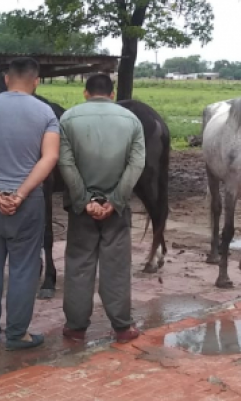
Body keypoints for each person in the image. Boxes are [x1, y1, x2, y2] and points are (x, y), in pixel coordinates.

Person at [0, 57, 60, 350]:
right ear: (36, 81)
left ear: (6, 79)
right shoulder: (46, 113)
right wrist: (20, 194)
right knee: (24, 268)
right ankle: (18, 334)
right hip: (28, 204)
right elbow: (50, 157)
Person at [57, 74, 145, 344]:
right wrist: (115, 201)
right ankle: (122, 327)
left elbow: (66, 164)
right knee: (116, 266)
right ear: (112, 92)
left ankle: (76, 328)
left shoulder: (68, 119)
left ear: (85, 93)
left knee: (78, 265)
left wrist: (85, 201)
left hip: (81, 210)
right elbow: (136, 165)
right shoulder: (132, 121)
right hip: (115, 212)